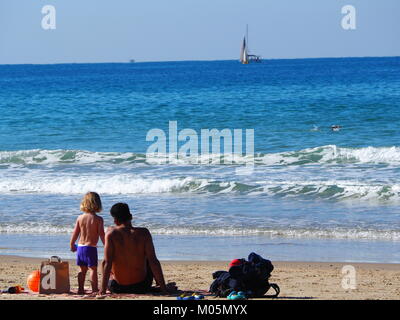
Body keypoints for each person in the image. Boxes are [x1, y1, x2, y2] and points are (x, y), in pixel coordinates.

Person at [100, 203, 170, 295]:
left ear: (115, 220)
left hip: (117, 287)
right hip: (142, 286)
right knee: (149, 259)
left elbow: (107, 263)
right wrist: (164, 289)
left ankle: (105, 287)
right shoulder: (144, 233)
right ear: (131, 217)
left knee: (105, 261)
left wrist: (103, 290)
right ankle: (159, 285)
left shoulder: (111, 234)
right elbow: (154, 261)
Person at [70, 192, 105, 294]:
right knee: (93, 269)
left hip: (80, 247)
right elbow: (102, 234)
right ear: (97, 204)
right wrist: (106, 245)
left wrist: (72, 244)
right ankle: (94, 289)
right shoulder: (98, 219)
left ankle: (80, 289)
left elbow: (75, 233)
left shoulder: (80, 218)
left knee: (82, 269)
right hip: (91, 248)